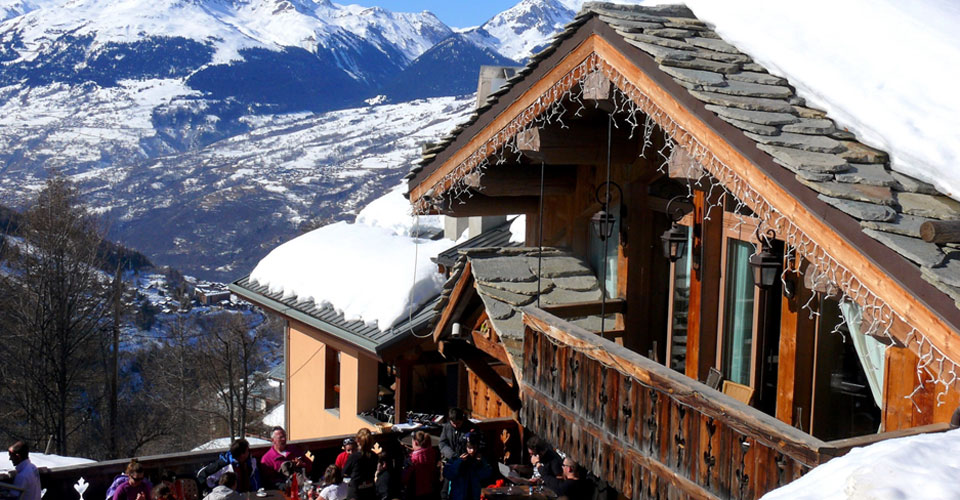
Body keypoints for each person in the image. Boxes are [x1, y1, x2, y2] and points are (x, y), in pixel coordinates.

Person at [438, 408, 478, 500]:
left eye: (458, 423)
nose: (456, 425)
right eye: (453, 423)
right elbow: (442, 444)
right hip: (452, 463)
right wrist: (452, 455)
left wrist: (469, 454)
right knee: (445, 493)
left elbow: (477, 444)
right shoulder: (447, 427)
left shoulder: (471, 428)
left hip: (466, 465)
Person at [442, 433, 491, 500]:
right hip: (458, 496)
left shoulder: (479, 459)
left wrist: (479, 464)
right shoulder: (455, 458)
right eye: (470, 448)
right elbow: (448, 474)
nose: (472, 451)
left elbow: (486, 475)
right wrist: (459, 462)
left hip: (473, 495)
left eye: (475, 448)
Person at [401, 431, 438, 500]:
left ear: (415, 442)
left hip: (416, 492)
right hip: (430, 490)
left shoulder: (412, 459)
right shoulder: (432, 454)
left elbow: (405, 478)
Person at [343, 428, 377, 500]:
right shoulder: (374, 456)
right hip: (370, 491)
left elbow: (344, 472)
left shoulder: (354, 457)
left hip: (355, 492)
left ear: (357, 441)